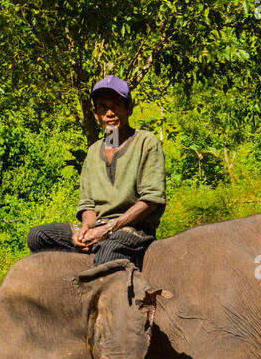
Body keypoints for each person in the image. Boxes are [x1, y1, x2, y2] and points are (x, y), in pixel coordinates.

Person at [26, 75, 166, 268]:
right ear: (95, 113)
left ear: (129, 109)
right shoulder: (93, 152)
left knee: (107, 251)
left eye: (117, 104)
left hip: (132, 229)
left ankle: (106, 274)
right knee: (37, 236)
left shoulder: (146, 142)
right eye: (103, 106)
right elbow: (88, 204)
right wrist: (85, 230)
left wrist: (108, 229)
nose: (110, 112)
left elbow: (151, 200)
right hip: (99, 225)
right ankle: (87, 257)